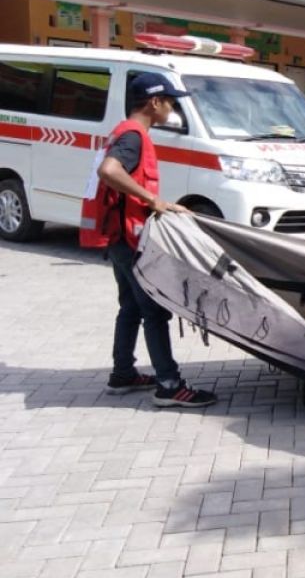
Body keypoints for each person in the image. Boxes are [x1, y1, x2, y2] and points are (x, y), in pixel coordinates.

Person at [82, 72, 218, 408]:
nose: (172, 107)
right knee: (154, 310)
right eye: (170, 101)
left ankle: (123, 374)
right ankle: (169, 385)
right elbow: (110, 171)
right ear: (154, 102)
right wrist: (153, 200)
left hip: (119, 237)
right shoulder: (134, 136)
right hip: (130, 240)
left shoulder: (124, 132)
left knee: (129, 306)